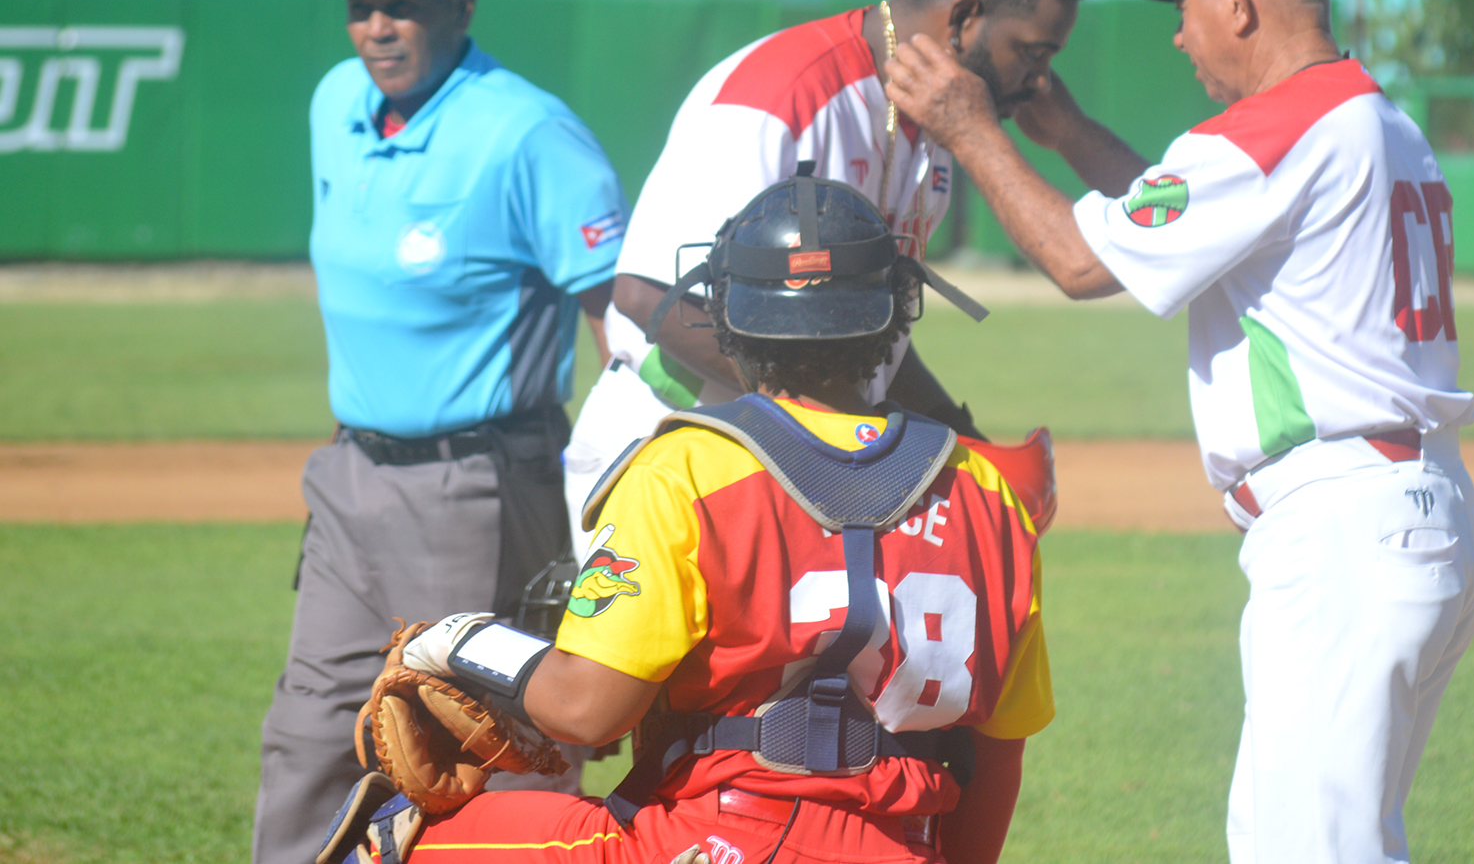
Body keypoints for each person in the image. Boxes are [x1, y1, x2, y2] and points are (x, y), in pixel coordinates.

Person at [884, 0, 1474, 864]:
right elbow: (1185, 218)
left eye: (1185, 3)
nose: (1177, 34)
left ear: (1237, 1)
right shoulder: (1374, 118)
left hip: (1343, 531)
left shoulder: (1267, 132)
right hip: (1414, 514)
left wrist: (970, 127)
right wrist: (1069, 135)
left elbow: (1081, 261)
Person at [323, 172, 1049, 864]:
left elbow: (586, 710)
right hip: (908, 844)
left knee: (392, 840)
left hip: (718, 838)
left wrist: (458, 642)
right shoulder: (988, 493)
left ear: (726, 313)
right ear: (896, 307)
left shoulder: (688, 469)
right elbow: (999, 756)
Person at [256, 0, 627, 864]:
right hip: (350, 477)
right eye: (362, 6)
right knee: (311, 730)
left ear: (460, 5)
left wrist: (623, 479)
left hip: (479, 485)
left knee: (488, 743)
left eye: (404, 5)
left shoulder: (528, 132)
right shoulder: (336, 102)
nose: (378, 27)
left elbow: (618, 321)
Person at [561, 0, 1093, 565]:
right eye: (1032, 53)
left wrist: (963, 442)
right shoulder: (782, 93)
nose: (1041, 82)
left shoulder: (932, 125)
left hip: (790, 464)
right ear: (963, 18)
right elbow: (649, 296)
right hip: (673, 458)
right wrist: (825, 423)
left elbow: (867, 345)